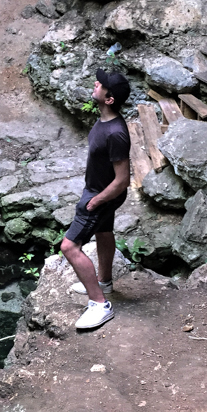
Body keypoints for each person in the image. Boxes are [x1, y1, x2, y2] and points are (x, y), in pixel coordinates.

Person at [62, 69, 132, 330]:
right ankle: (104, 281)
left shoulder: (115, 133)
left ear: (109, 98)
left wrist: (96, 201)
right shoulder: (103, 120)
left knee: (69, 247)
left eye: (100, 84)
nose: (96, 83)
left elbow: (123, 179)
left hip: (101, 195)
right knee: (103, 232)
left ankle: (99, 304)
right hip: (98, 191)